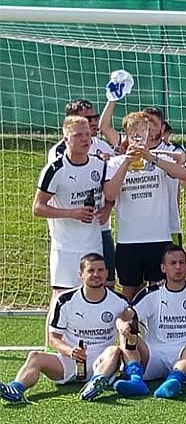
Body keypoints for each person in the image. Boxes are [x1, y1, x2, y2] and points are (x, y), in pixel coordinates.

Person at [1, 254, 127, 403]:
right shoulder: (65, 300)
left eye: (100, 270)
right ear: (81, 274)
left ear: (106, 273)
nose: (96, 275)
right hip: (69, 361)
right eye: (91, 270)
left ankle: (95, 384)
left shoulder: (120, 302)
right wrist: (71, 351)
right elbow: (53, 339)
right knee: (35, 356)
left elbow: (129, 330)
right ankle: (16, 389)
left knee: (114, 350)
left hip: (103, 362)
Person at [34, 116, 111, 342]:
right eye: (78, 135)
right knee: (60, 296)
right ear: (66, 139)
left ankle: (93, 345)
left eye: (87, 134)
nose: (85, 139)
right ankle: (51, 347)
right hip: (65, 246)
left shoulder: (99, 165)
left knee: (93, 294)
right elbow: (38, 207)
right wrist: (72, 213)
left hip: (93, 243)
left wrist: (107, 208)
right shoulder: (55, 169)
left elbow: (111, 193)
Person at [104, 111, 186, 300]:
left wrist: (151, 158)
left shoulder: (159, 159)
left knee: (159, 292)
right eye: (134, 133)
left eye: (143, 131)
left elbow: (184, 174)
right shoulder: (115, 163)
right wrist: (127, 162)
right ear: (126, 134)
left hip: (159, 237)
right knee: (130, 292)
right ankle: (130, 321)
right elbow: (109, 194)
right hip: (129, 240)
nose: (139, 137)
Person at [113, 245, 186, 399]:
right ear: (163, 268)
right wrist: (122, 325)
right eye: (173, 263)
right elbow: (126, 315)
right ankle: (136, 380)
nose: (178, 267)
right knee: (127, 334)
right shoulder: (152, 293)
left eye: (181, 263)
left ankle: (173, 381)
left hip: (185, 355)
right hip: (154, 355)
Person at [48, 99, 116, 285]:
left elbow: (113, 185)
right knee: (67, 287)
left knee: (106, 282)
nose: (93, 122)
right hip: (69, 235)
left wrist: (108, 207)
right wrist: (73, 212)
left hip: (100, 228)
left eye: (94, 118)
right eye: (88, 118)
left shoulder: (102, 147)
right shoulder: (58, 154)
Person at [100, 102, 186, 246]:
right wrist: (113, 99)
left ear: (162, 127)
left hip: (167, 225)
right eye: (144, 124)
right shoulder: (124, 151)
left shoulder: (168, 150)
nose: (148, 128)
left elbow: (181, 161)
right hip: (132, 234)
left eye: (152, 123)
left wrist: (150, 155)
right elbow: (104, 128)